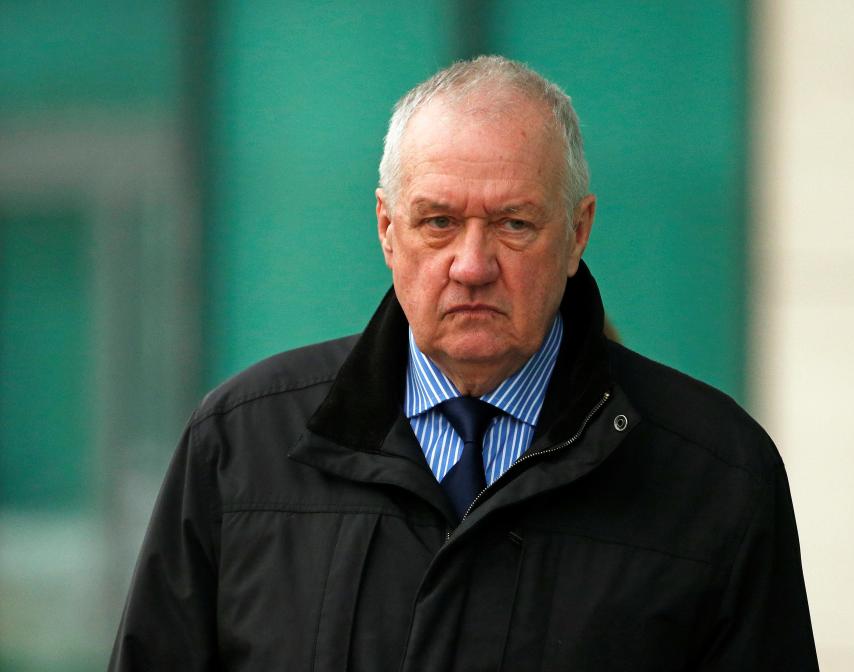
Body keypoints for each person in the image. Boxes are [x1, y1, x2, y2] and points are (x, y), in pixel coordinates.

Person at [109, 56, 818, 671]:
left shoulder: (717, 474)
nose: (472, 266)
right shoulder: (239, 445)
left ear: (577, 235)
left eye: (514, 223)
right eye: (439, 222)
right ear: (389, 230)